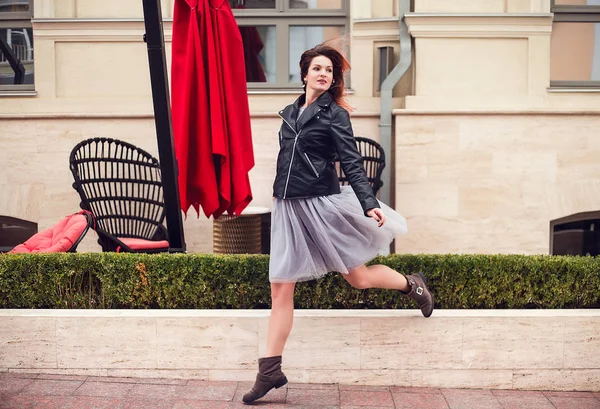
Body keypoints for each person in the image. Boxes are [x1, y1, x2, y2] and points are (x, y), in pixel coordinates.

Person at [242, 44, 433, 404]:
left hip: (321, 205)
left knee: (357, 278)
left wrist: (368, 202)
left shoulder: (335, 116)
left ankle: (412, 285)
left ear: (332, 79)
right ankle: (269, 370)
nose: (323, 74)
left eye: (329, 70)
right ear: (304, 74)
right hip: (287, 207)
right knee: (280, 290)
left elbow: (352, 162)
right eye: (317, 68)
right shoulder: (288, 113)